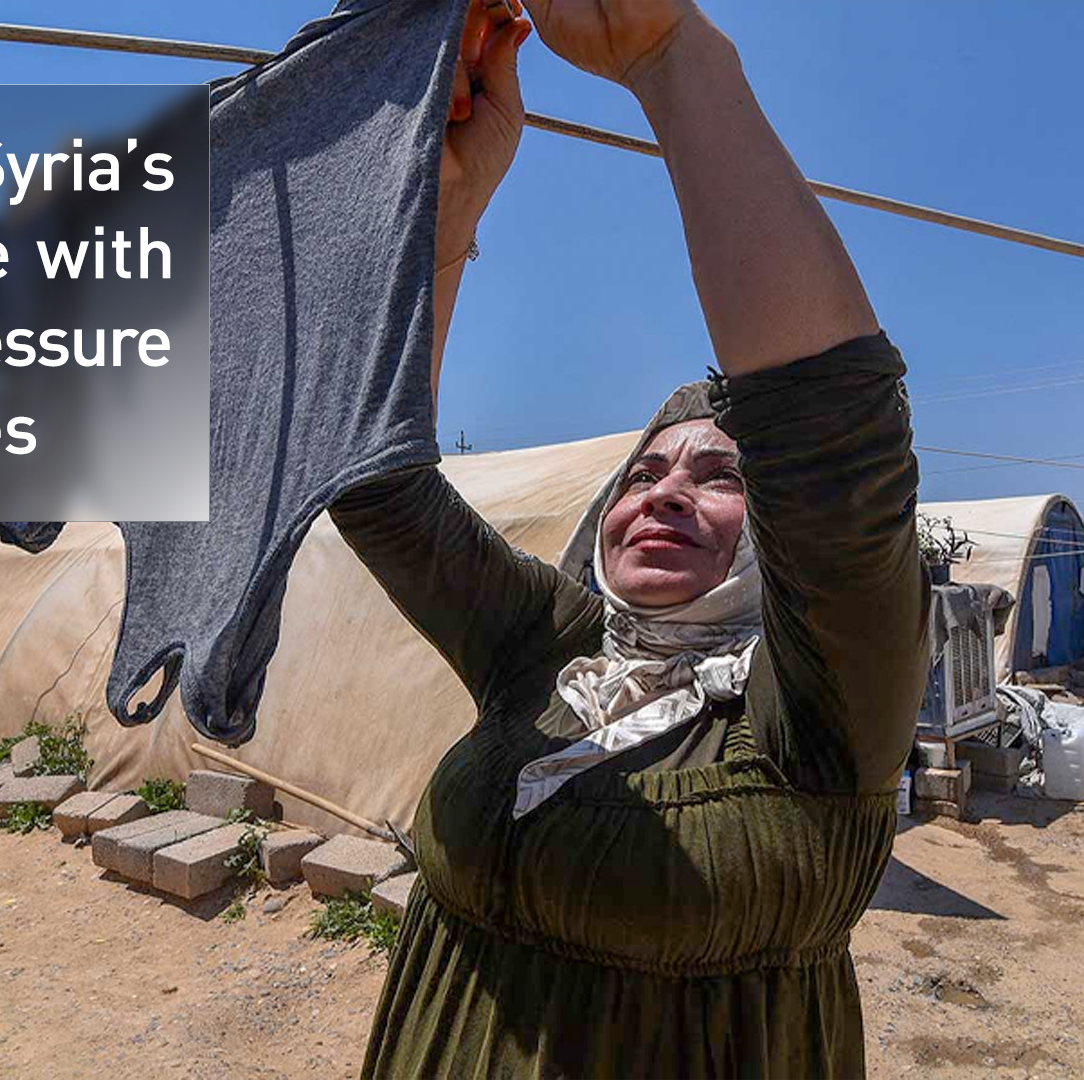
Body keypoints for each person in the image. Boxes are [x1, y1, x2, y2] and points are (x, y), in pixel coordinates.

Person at [330, 0, 929, 1075]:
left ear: (771, 533)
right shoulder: (548, 650)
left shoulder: (825, 706)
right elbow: (375, 486)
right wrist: (448, 215)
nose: (664, 494)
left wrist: (667, 57)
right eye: (642, 474)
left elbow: (834, 442)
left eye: (719, 477)